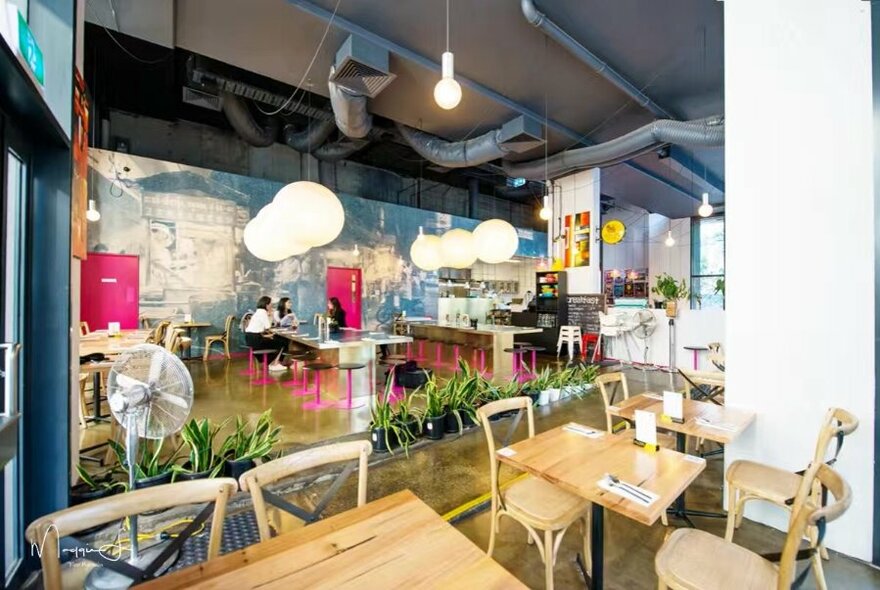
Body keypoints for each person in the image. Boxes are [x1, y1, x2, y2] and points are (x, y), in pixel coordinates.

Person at [245, 295, 286, 371]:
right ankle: (274, 364)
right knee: (282, 342)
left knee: (275, 340)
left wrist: (268, 335)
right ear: (266, 305)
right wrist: (270, 314)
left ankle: (272, 362)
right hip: (256, 340)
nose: (272, 306)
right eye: (271, 304)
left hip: (250, 338)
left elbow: (260, 329)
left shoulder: (258, 312)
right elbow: (268, 326)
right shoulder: (263, 313)